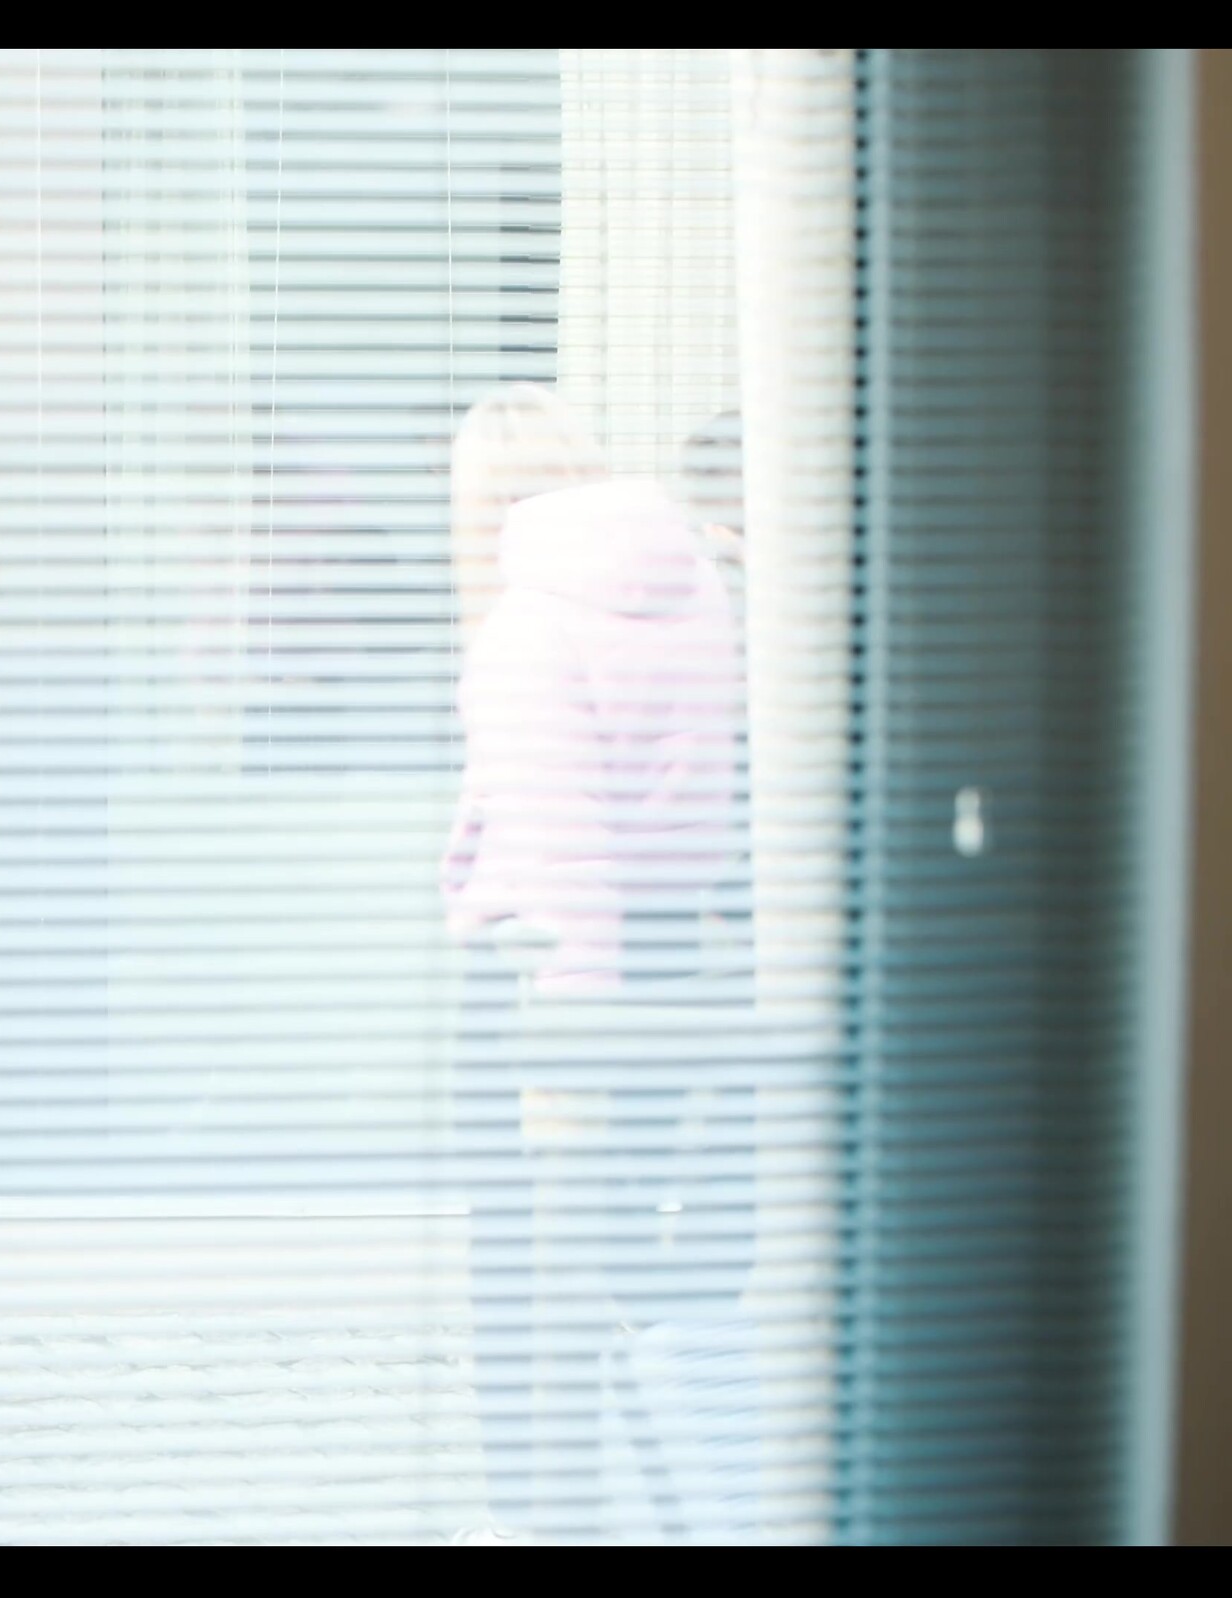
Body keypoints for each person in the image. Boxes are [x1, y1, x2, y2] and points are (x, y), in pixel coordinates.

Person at [441, 385, 754, 1540]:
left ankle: (535, 1511)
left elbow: (559, 850)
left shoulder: (527, 631)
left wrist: (569, 1041)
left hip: (549, 974)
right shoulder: (697, 590)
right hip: (676, 951)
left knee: (522, 1260)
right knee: (637, 1264)